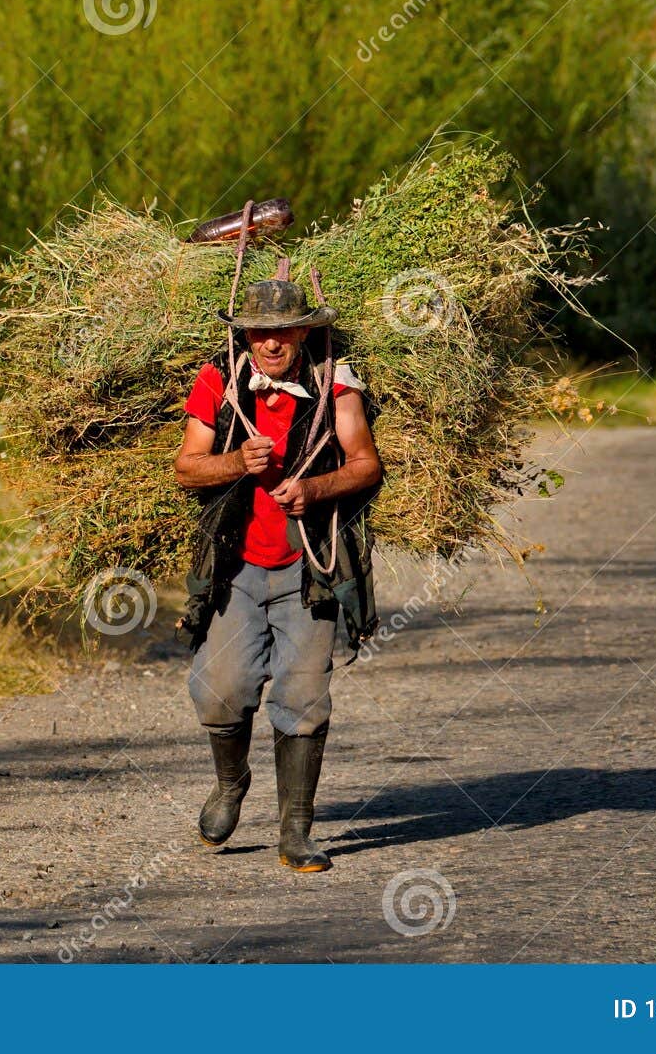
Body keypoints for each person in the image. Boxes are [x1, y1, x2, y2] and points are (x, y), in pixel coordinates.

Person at [174, 270, 382, 872]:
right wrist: (236, 461)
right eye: (258, 331)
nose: (271, 342)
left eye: (283, 330)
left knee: (303, 697)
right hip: (235, 567)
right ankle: (231, 785)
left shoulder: (334, 383)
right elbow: (187, 468)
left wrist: (315, 488)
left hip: (308, 569)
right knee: (221, 692)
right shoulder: (218, 381)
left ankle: (296, 831)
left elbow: (367, 464)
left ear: (302, 331)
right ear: (243, 334)